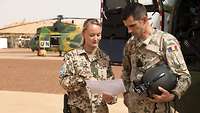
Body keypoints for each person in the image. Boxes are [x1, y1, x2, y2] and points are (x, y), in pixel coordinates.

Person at [121, 3, 191, 113]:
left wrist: (172, 95)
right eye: (127, 27)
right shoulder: (130, 44)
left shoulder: (166, 42)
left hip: (158, 109)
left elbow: (184, 76)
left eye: (132, 26)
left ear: (144, 20)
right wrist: (126, 95)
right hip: (134, 108)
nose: (129, 31)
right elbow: (126, 71)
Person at [59, 18, 116, 113]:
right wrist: (83, 80)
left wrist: (111, 97)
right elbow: (63, 82)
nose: (96, 38)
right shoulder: (72, 56)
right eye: (92, 35)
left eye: (98, 35)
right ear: (83, 34)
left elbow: (111, 86)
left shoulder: (105, 59)